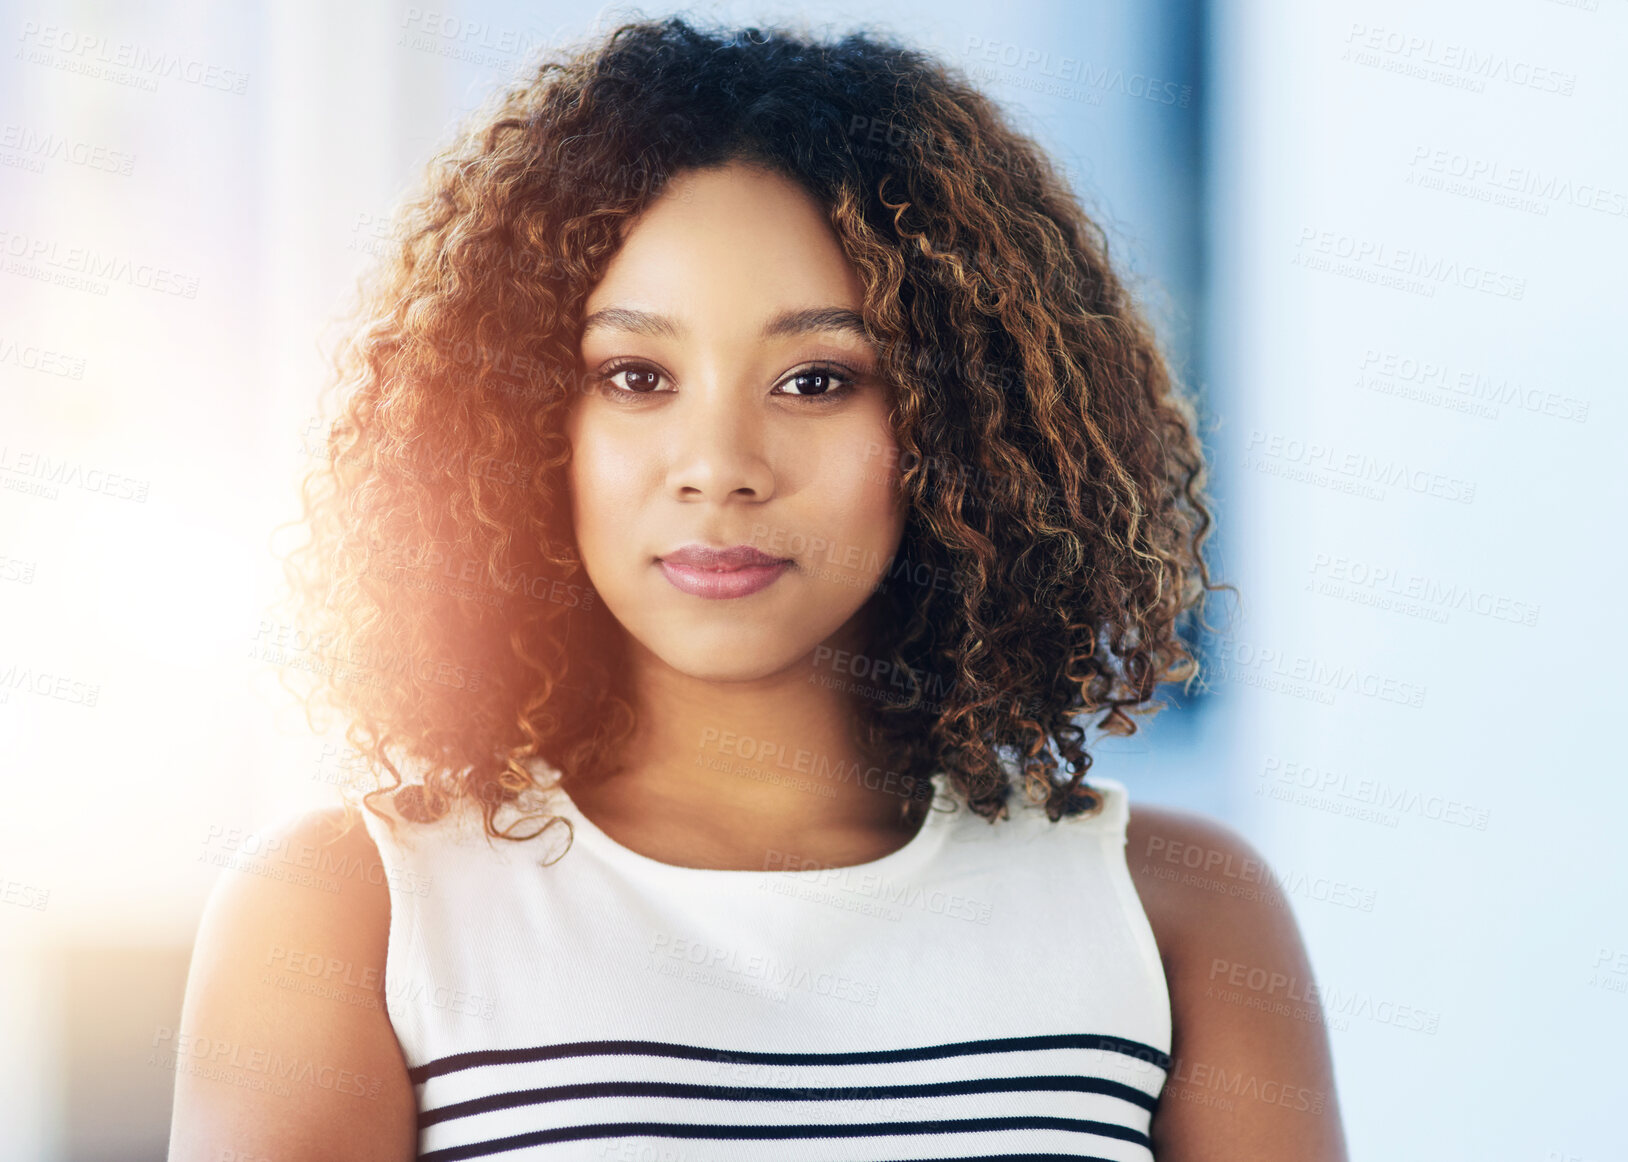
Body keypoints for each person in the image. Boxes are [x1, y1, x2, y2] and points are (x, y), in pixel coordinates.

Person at [168, 15, 1346, 1161]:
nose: (721, 466)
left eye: (818, 380)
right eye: (635, 374)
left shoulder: (1177, 914)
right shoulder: (349, 912)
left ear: (959, 429)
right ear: (522, 421)